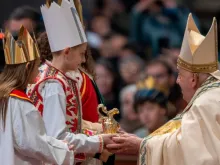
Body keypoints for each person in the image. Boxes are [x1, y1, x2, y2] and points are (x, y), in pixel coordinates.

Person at [107, 14, 220, 165]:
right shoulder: (211, 96)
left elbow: (197, 153)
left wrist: (142, 145)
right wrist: (143, 141)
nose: (177, 81)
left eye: (180, 75)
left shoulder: (205, 103)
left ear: (193, 79)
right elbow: (182, 140)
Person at [28, 0, 114, 164]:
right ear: (67, 51)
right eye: (82, 54)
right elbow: (58, 138)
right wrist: (100, 141)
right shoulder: (54, 83)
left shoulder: (43, 72)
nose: (83, 60)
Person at [0, 26, 74, 165]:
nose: (39, 72)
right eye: (37, 66)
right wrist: (62, 149)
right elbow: (31, 143)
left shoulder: (3, 94)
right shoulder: (19, 101)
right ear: (28, 67)